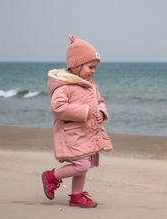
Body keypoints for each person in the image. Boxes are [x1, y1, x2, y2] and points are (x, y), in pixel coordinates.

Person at [42, 35, 113, 208]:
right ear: (75, 66)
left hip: (87, 132)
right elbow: (57, 107)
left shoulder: (91, 85)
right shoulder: (65, 86)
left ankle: (76, 196)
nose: (93, 71)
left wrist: (101, 113)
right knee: (81, 165)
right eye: (90, 67)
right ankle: (52, 176)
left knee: (84, 163)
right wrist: (86, 112)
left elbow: (100, 101)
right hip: (72, 132)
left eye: (95, 67)